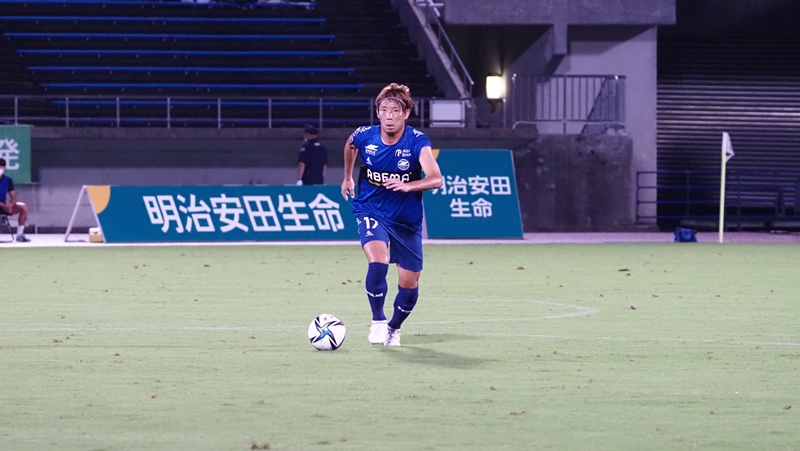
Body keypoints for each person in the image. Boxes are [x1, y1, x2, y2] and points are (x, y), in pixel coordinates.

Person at [341, 83, 443, 347]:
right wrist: (348, 176)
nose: (388, 116)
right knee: (378, 261)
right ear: (377, 112)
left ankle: (393, 328)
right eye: (384, 110)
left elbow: (436, 178)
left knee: (409, 287)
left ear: (406, 113)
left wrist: (409, 185)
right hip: (370, 208)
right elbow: (350, 145)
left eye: (395, 110)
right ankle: (377, 321)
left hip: (406, 220)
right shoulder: (365, 135)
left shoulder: (417, 141)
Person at [0, 158, 31, 242]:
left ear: (4, 168)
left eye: (1, 167)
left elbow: (13, 196)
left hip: (4, 207)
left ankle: (20, 235)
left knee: (23, 207)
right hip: (2, 205)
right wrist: (4, 205)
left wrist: (10, 205)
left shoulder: (8, 180)